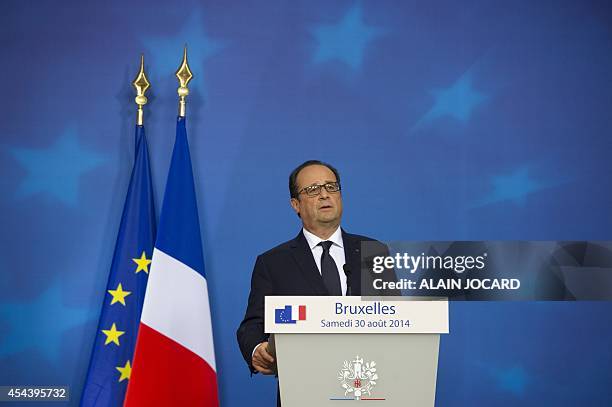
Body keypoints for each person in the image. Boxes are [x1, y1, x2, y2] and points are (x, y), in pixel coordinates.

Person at [236, 160, 396, 403]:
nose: (324, 194)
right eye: (312, 189)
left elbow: (396, 318)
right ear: (295, 205)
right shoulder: (272, 262)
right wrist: (257, 350)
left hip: (366, 388)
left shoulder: (373, 252)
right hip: (302, 391)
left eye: (331, 187)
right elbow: (252, 325)